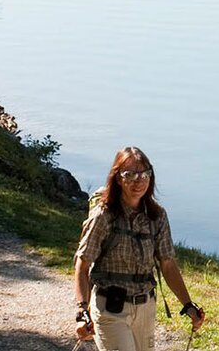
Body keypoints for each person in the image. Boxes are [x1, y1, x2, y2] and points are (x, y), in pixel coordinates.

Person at [73, 147, 205, 351]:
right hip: (110, 309)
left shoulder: (157, 216)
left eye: (144, 174)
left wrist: (188, 305)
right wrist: (82, 312)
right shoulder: (103, 216)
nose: (139, 181)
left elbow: (168, 265)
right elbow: (82, 264)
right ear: (118, 179)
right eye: (130, 174)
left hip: (145, 309)